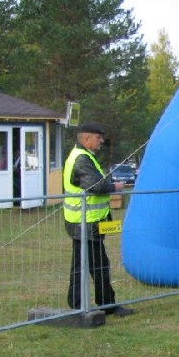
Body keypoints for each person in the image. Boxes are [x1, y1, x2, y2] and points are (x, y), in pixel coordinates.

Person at [63, 122, 134, 316]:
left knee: (87, 264)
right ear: (86, 139)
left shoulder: (84, 157)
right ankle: (102, 305)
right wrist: (115, 187)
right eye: (97, 137)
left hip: (88, 222)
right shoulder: (81, 159)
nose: (101, 141)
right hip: (86, 223)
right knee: (97, 265)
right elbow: (96, 186)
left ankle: (81, 304)